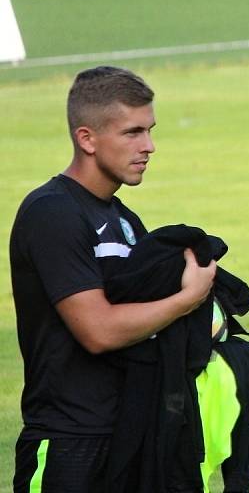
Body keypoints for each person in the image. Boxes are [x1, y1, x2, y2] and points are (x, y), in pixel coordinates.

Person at [10, 66, 217, 492]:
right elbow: (98, 331)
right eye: (132, 133)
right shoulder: (52, 214)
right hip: (68, 440)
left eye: (150, 130)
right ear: (87, 138)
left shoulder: (125, 220)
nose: (149, 146)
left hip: (129, 433)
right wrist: (186, 299)